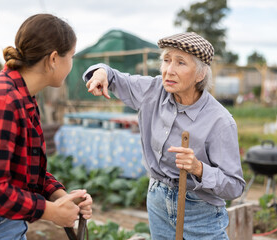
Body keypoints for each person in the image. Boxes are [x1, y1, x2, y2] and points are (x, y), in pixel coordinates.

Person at [83, 32, 245, 239]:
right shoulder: (153, 91)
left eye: (180, 63)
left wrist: (198, 168)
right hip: (158, 199)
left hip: (199, 210)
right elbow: (112, 75)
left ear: (200, 74)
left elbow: (235, 186)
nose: (169, 70)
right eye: (166, 60)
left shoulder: (220, 121)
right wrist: (100, 73)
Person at [0, 14, 92, 240]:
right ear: (54, 59)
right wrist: (51, 212)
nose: (71, 63)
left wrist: (62, 197)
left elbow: (25, 169)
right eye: (71, 56)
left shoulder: (20, 95)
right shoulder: (1, 102)